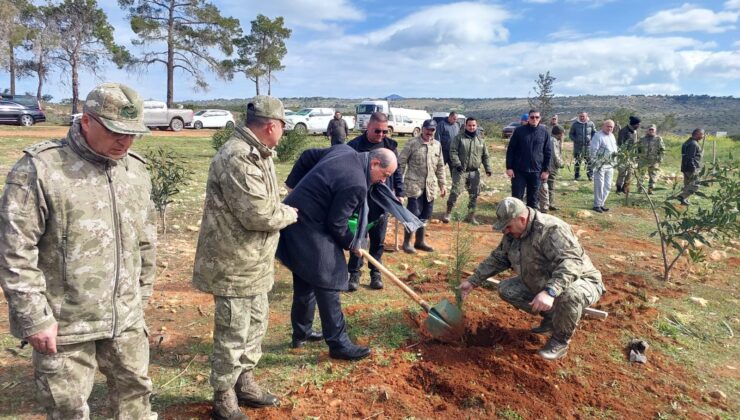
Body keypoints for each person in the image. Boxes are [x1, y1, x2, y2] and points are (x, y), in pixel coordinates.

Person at [0, 83, 157, 419]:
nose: (125, 142)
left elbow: (145, 239)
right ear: (86, 121)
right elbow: (15, 251)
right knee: (67, 410)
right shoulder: (41, 169)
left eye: (133, 134)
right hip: (65, 325)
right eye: (116, 131)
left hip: (125, 319)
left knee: (136, 402)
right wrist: (35, 318)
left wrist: (140, 297)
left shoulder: (136, 170)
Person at [192, 96, 299, 419]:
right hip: (233, 263)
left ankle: (244, 380)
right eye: (282, 125)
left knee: (255, 324)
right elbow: (258, 214)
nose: (282, 131)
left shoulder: (260, 154)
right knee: (232, 331)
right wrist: (289, 213)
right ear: (271, 126)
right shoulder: (238, 157)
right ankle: (224, 394)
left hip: (254, 261)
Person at [277, 147, 399, 361]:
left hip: (296, 217)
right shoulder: (356, 183)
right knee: (329, 278)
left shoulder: (344, 150)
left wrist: (296, 189)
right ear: (374, 164)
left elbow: (309, 156)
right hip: (307, 224)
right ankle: (339, 344)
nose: (383, 181)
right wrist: (353, 243)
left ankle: (301, 333)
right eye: (384, 175)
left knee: (307, 277)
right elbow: (337, 224)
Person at [458, 197, 605, 361]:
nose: (505, 231)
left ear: (522, 219)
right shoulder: (513, 233)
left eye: (508, 227)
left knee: (569, 295)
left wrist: (550, 292)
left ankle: (560, 341)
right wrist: (473, 281)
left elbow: (572, 263)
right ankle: (552, 318)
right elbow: (499, 258)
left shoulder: (551, 229)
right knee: (507, 289)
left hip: (582, 281)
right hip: (543, 280)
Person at [346, 112, 404, 290]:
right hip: (360, 202)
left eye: (384, 131)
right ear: (368, 127)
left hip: (381, 201)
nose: (381, 135)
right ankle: (354, 274)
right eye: (377, 131)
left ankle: (375, 273)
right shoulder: (354, 146)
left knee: (378, 240)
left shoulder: (390, 146)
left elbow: (397, 170)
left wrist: (399, 192)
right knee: (359, 237)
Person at [398, 119, 447, 253]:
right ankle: (407, 243)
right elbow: (401, 163)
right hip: (414, 186)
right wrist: (397, 185)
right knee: (413, 214)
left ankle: (420, 242)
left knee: (425, 214)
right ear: (422, 129)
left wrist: (443, 185)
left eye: (432, 130)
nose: (429, 132)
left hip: (430, 187)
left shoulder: (437, 145)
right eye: (427, 129)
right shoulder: (412, 143)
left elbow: (440, 166)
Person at [443, 117, 492, 225]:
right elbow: (453, 152)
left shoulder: (480, 140)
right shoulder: (458, 138)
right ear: (466, 126)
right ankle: (448, 213)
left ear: (476, 126)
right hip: (460, 171)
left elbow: (485, 156)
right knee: (455, 192)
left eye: (474, 125)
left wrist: (488, 168)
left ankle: (471, 216)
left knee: (474, 194)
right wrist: (457, 164)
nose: (471, 127)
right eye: (469, 125)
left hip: (474, 172)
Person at [506, 109, 552, 209]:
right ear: (529, 118)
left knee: (533, 199)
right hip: (519, 171)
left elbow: (548, 152)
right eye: (532, 117)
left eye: (537, 117)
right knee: (517, 198)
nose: (534, 119)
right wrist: (509, 167)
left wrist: (546, 170)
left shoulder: (544, 132)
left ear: (540, 118)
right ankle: (516, 220)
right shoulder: (519, 131)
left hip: (536, 171)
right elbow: (511, 150)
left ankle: (531, 221)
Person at [590, 120, 618, 213]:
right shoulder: (598, 136)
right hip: (600, 165)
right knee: (599, 185)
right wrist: (595, 163)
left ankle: (602, 203)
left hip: (610, 165)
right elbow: (593, 150)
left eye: (611, 127)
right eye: (608, 126)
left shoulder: (612, 136)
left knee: (608, 185)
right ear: (603, 126)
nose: (610, 128)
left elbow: (614, 150)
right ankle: (597, 205)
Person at [537, 124, 565, 212]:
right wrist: (561, 164)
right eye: (562, 134)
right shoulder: (553, 141)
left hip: (549, 167)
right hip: (550, 168)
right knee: (549, 186)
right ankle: (548, 204)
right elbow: (555, 155)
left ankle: (547, 203)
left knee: (547, 186)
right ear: (560, 134)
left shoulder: (554, 140)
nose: (563, 136)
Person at [677, 128, 704, 206]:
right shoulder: (693, 144)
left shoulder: (687, 142)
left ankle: (684, 200)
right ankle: (682, 196)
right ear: (697, 134)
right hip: (691, 168)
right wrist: (694, 169)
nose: (702, 136)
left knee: (687, 185)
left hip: (685, 167)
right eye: (702, 134)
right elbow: (690, 157)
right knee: (695, 185)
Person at [637, 124, 665, 194]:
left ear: (655, 130)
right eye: (650, 129)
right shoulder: (642, 139)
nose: (651, 131)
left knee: (653, 175)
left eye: (652, 130)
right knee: (641, 174)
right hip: (643, 160)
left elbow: (662, 149)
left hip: (654, 160)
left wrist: (660, 158)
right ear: (647, 130)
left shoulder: (658, 139)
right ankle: (640, 189)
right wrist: (637, 157)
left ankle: (651, 189)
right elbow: (638, 149)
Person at [615, 116, 641, 193]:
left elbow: (635, 144)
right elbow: (620, 144)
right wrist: (624, 154)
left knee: (630, 173)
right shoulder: (623, 131)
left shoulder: (635, 132)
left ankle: (625, 188)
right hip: (623, 156)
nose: (639, 126)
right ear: (634, 124)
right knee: (622, 173)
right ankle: (618, 188)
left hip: (632, 157)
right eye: (638, 124)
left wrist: (637, 154)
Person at [569, 112, 596, 180]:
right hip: (578, 147)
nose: (582, 117)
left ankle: (590, 176)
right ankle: (577, 176)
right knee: (577, 162)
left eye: (583, 116)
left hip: (588, 147)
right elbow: (571, 134)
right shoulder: (575, 124)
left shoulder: (591, 123)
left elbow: (594, 133)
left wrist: (591, 140)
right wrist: (575, 140)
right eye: (580, 116)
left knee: (589, 161)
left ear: (586, 116)